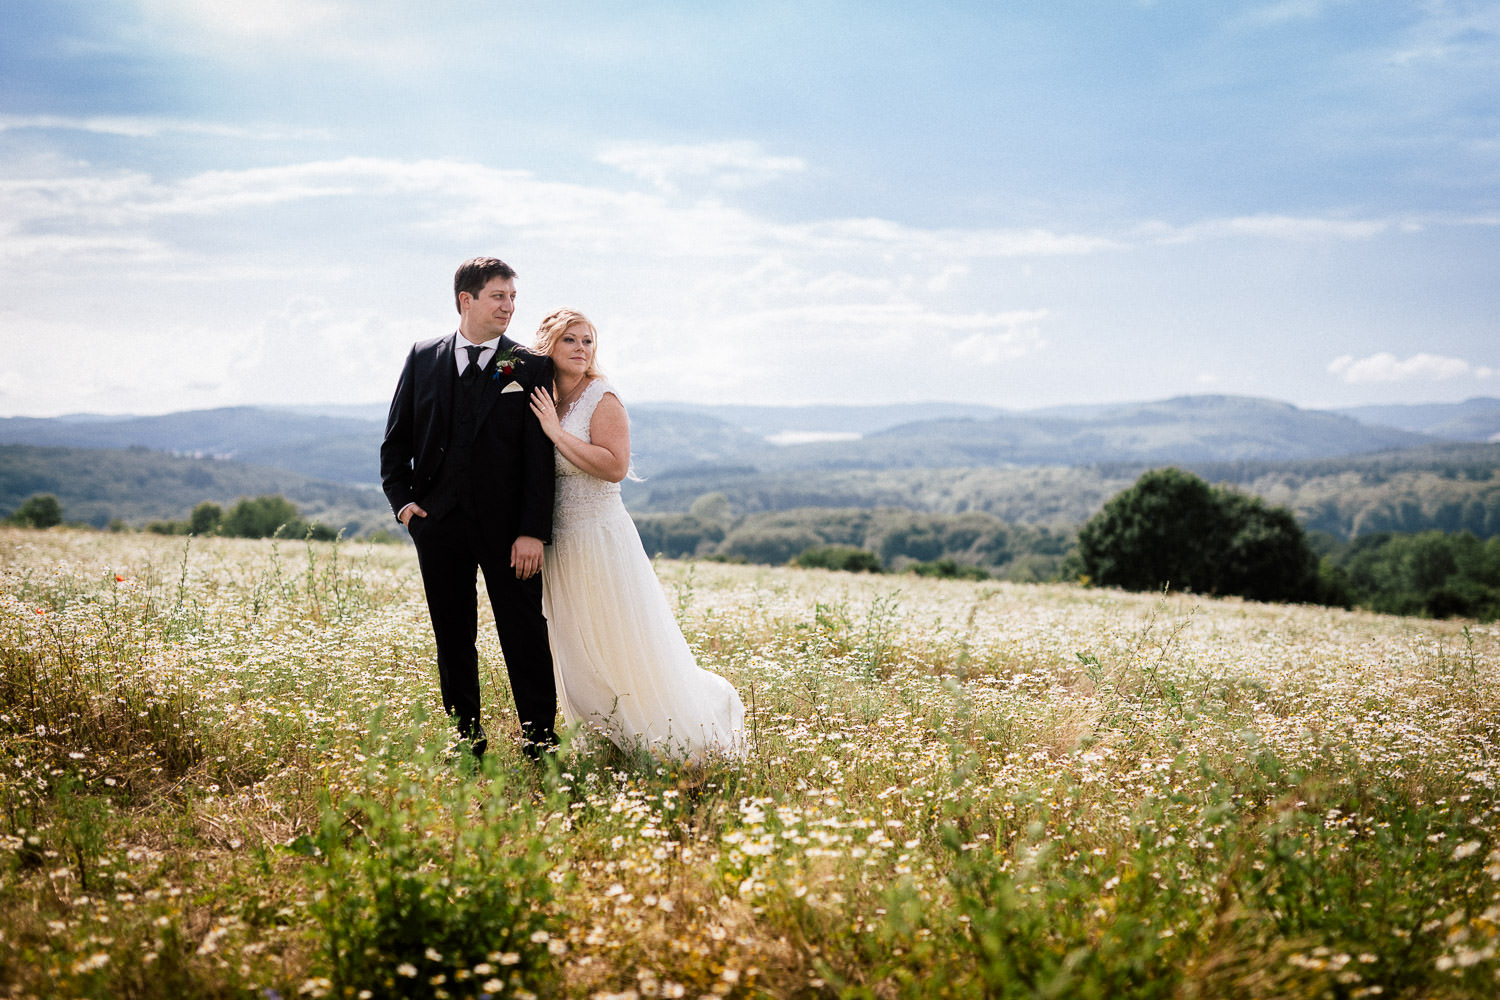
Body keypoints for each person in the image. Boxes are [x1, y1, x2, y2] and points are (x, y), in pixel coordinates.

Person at [528, 308, 747, 763]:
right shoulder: (548, 395)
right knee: (575, 646)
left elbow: (615, 467)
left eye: (588, 341)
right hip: (560, 544)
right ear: (548, 344)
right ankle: (607, 739)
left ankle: (663, 732)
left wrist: (552, 432)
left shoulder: (601, 397)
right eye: (570, 340)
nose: (581, 349)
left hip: (600, 538)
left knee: (618, 638)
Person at [379, 257, 558, 762]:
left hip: (510, 535)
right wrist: (405, 508)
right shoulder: (422, 357)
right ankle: (467, 742)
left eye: (512, 297)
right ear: (467, 300)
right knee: (452, 638)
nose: (509, 306)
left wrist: (532, 531)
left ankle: (540, 744)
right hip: (438, 527)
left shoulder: (528, 365)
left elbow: (537, 459)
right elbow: (396, 443)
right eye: (499, 296)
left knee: (524, 635)